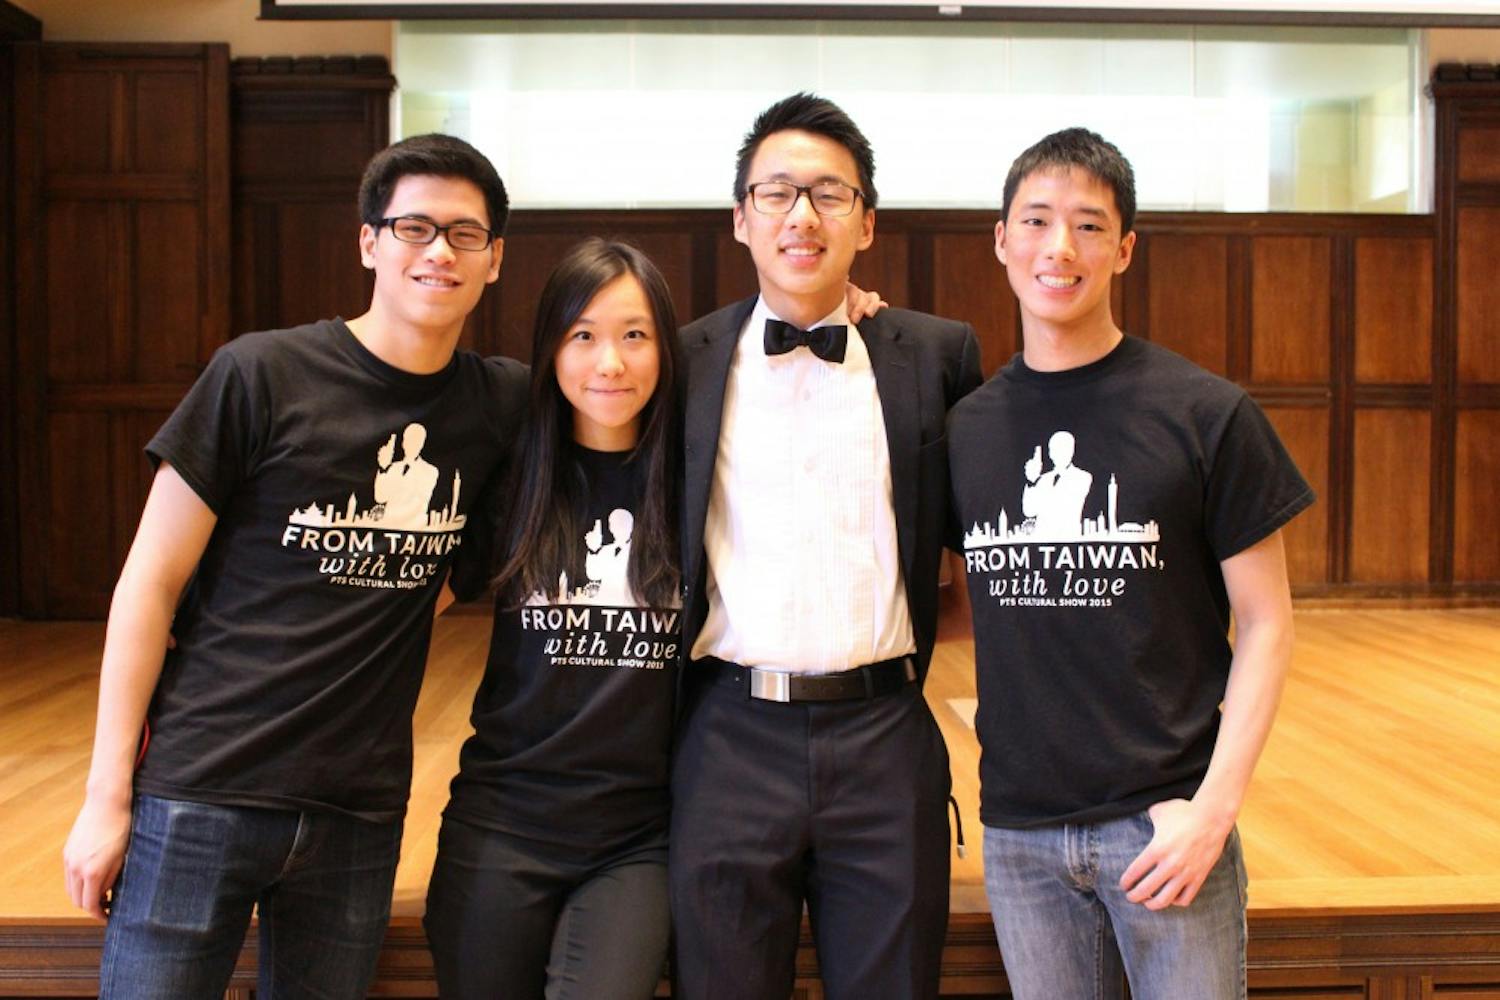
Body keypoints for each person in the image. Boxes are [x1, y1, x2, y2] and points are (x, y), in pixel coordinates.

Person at [60, 133, 527, 1000]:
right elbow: (149, 584)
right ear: (368, 242)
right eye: (414, 227)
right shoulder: (260, 373)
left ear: (494, 259)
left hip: (358, 810)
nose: (438, 251)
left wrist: (852, 308)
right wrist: (106, 796)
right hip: (203, 789)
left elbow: (636, 378)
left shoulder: (498, 403)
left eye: (464, 234)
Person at [948, 127, 1315, 999]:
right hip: (1022, 838)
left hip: (1164, 825)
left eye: (1088, 224)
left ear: (1125, 249)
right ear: (1002, 240)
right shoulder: (967, 428)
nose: (1059, 247)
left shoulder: (1205, 414)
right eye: (1035, 220)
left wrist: (1214, 812)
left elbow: (1268, 623)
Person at [669, 93, 983, 1000]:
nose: (801, 215)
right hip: (726, 732)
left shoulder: (934, 355)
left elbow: (979, 540)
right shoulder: (681, 362)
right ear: (741, 218)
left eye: (829, 195)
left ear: (867, 222)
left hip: (886, 735)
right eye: (776, 193)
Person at [422, 238, 683, 1000]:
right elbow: (401, 610)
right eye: (584, 336)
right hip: (504, 819)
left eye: (634, 335)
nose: (610, 363)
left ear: (665, 347)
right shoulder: (514, 481)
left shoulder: (697, 483)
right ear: (551, 349)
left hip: (638, 836)